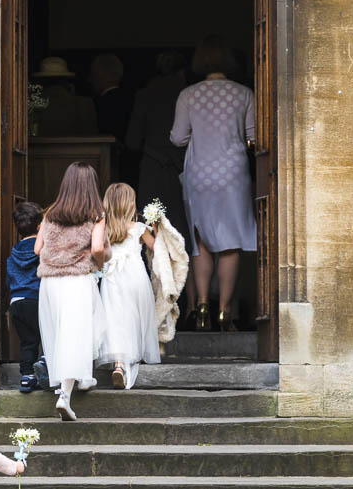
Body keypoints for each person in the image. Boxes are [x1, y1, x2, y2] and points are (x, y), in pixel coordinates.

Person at [170, 35, 256, 332]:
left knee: (201, 241)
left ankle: (202, 304)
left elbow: (178, 138)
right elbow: (253, 137)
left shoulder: (188, 95)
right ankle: (224, 311)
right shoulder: (244, 94)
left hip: (199, 174)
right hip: (233, 173)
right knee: (231, 243)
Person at [36, 161, 109, 421]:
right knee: (75, 334)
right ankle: (64, 396)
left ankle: (81, 378)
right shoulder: (96, 214)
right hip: (76, 279)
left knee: (59, 333)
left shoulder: (50, 213)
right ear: (91, 186)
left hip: (50, 281)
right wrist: (98, 265)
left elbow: (37, 249)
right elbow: (99, 248)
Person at [125, 51, 193, 319]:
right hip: (182, 170)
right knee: (182, 236)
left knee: (149, 235)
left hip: (153, 171)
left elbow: (132, 140)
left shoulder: (144, 95)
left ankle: (152, 306)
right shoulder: (187, 93)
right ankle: (186, 303)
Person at [97, 183, 161, 389]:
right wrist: (158, 229)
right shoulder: (139, 228)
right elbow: (156, 247)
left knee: (115, 320)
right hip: (135, 277)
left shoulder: (103, 228)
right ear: (131, 204)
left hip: (112, 278)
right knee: (134, 318)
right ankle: (131, 357)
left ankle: (119, 363)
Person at [6, 200, 43, 393]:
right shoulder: (39, 250)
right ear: (39, 225)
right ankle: (46, 370)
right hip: (35, 298)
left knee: (27, 341)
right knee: (44, 338)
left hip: (17, 301)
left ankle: (27, 376)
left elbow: (9, 279)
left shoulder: (13, 254)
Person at [32, 56, 97, 136]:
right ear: (66, 79)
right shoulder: (84, 104)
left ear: (40, 81)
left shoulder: (28, 106)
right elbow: (92, 137)